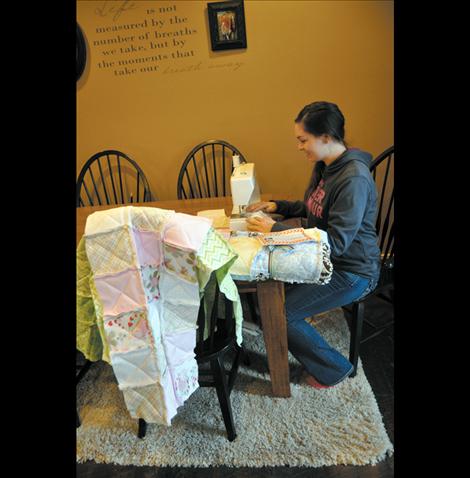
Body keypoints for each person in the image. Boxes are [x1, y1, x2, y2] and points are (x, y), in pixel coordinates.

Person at [245, 101, 381, 389]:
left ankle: (334, 370)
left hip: (353, 271)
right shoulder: (326, 166)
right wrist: (278, 205)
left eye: (303, 140)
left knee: (281, 312)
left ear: (327, 138)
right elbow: (313, 210)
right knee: (270, 289)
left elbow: (338, 243)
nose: (299, 146)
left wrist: (277, 229)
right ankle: (276, 331)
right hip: (325, 258)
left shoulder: (353, 178)